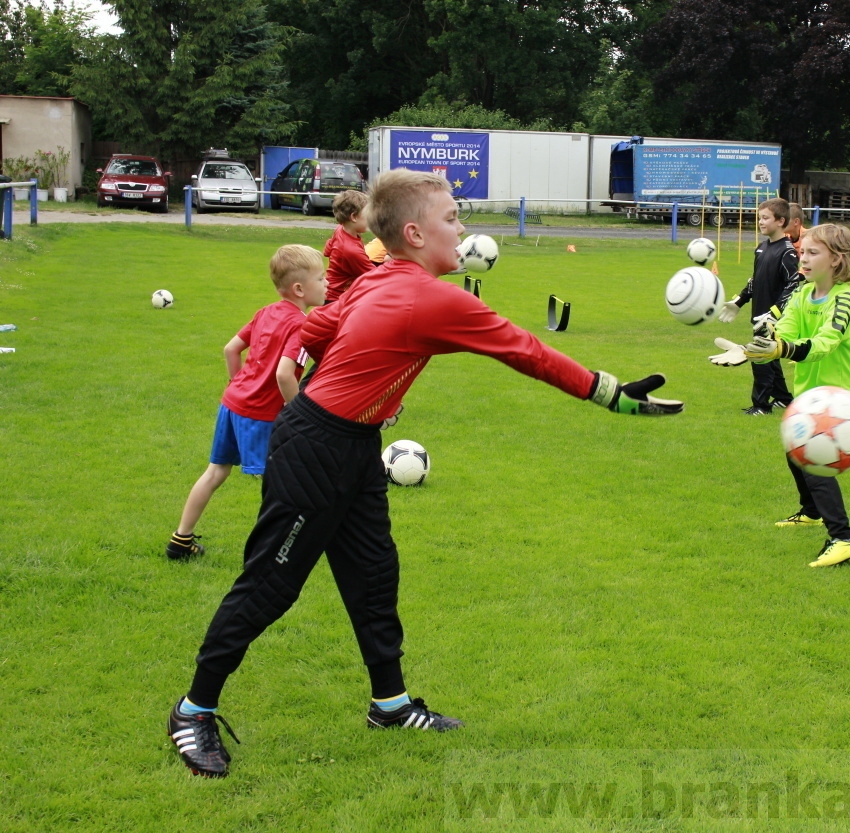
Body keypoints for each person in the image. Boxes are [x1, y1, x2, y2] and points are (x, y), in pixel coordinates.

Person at [166, 169, 684, 778]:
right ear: (414, 233)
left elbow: (319, 325)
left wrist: (347, 375)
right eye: (452, 219)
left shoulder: (381, 276)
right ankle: (193, 710)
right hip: (317, 449)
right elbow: (527, 351)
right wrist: (612, 395)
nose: (462, 229)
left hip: (351, 444)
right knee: (272, 583)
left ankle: (389, 705)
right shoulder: (429, 295)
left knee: (373, 574)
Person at [710, 224, 850, 567]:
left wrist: (780, 347)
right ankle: (811, 513)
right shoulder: (801, 295)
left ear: (836, 260)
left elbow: (826, 342)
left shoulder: (845, 298)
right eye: (803, 252)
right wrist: (752, 350)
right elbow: (784, 334)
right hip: (811, 393)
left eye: (813, 253)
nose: (803, 258)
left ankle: (843, 538)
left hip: (839, 397)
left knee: (814, 463)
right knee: (794, 450)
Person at [165, 245, 327, 560]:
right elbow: (284, 375)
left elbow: (230, 349)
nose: (327, 284)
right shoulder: (302, 326)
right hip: (260, 416)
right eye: (321, 278)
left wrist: (238, 385)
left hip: (232, 404)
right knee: (281, 486)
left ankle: (180, 540)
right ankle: (269, 555)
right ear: (299, 289)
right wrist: (298, 416)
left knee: (215, 472)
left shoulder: (265, 312)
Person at [716, 197, 802, 415]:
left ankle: (761, 406)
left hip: (773, 318)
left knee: (759, 357)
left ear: (781, 221)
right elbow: (755, 279)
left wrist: (775, 313)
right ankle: (784, 399)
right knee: (770, 358)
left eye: (765, 218)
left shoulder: (787, 252)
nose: (760, 222)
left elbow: (793, 286)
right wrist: (740, 300)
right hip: (758, 314)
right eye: (759, 218)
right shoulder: (761, 247)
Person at [323, 189, 374, 304]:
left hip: (332, 294)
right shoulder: (351, 251)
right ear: (353, 217)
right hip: (336, 300)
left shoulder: (340, 229)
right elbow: (375, 276)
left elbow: (327, 250)